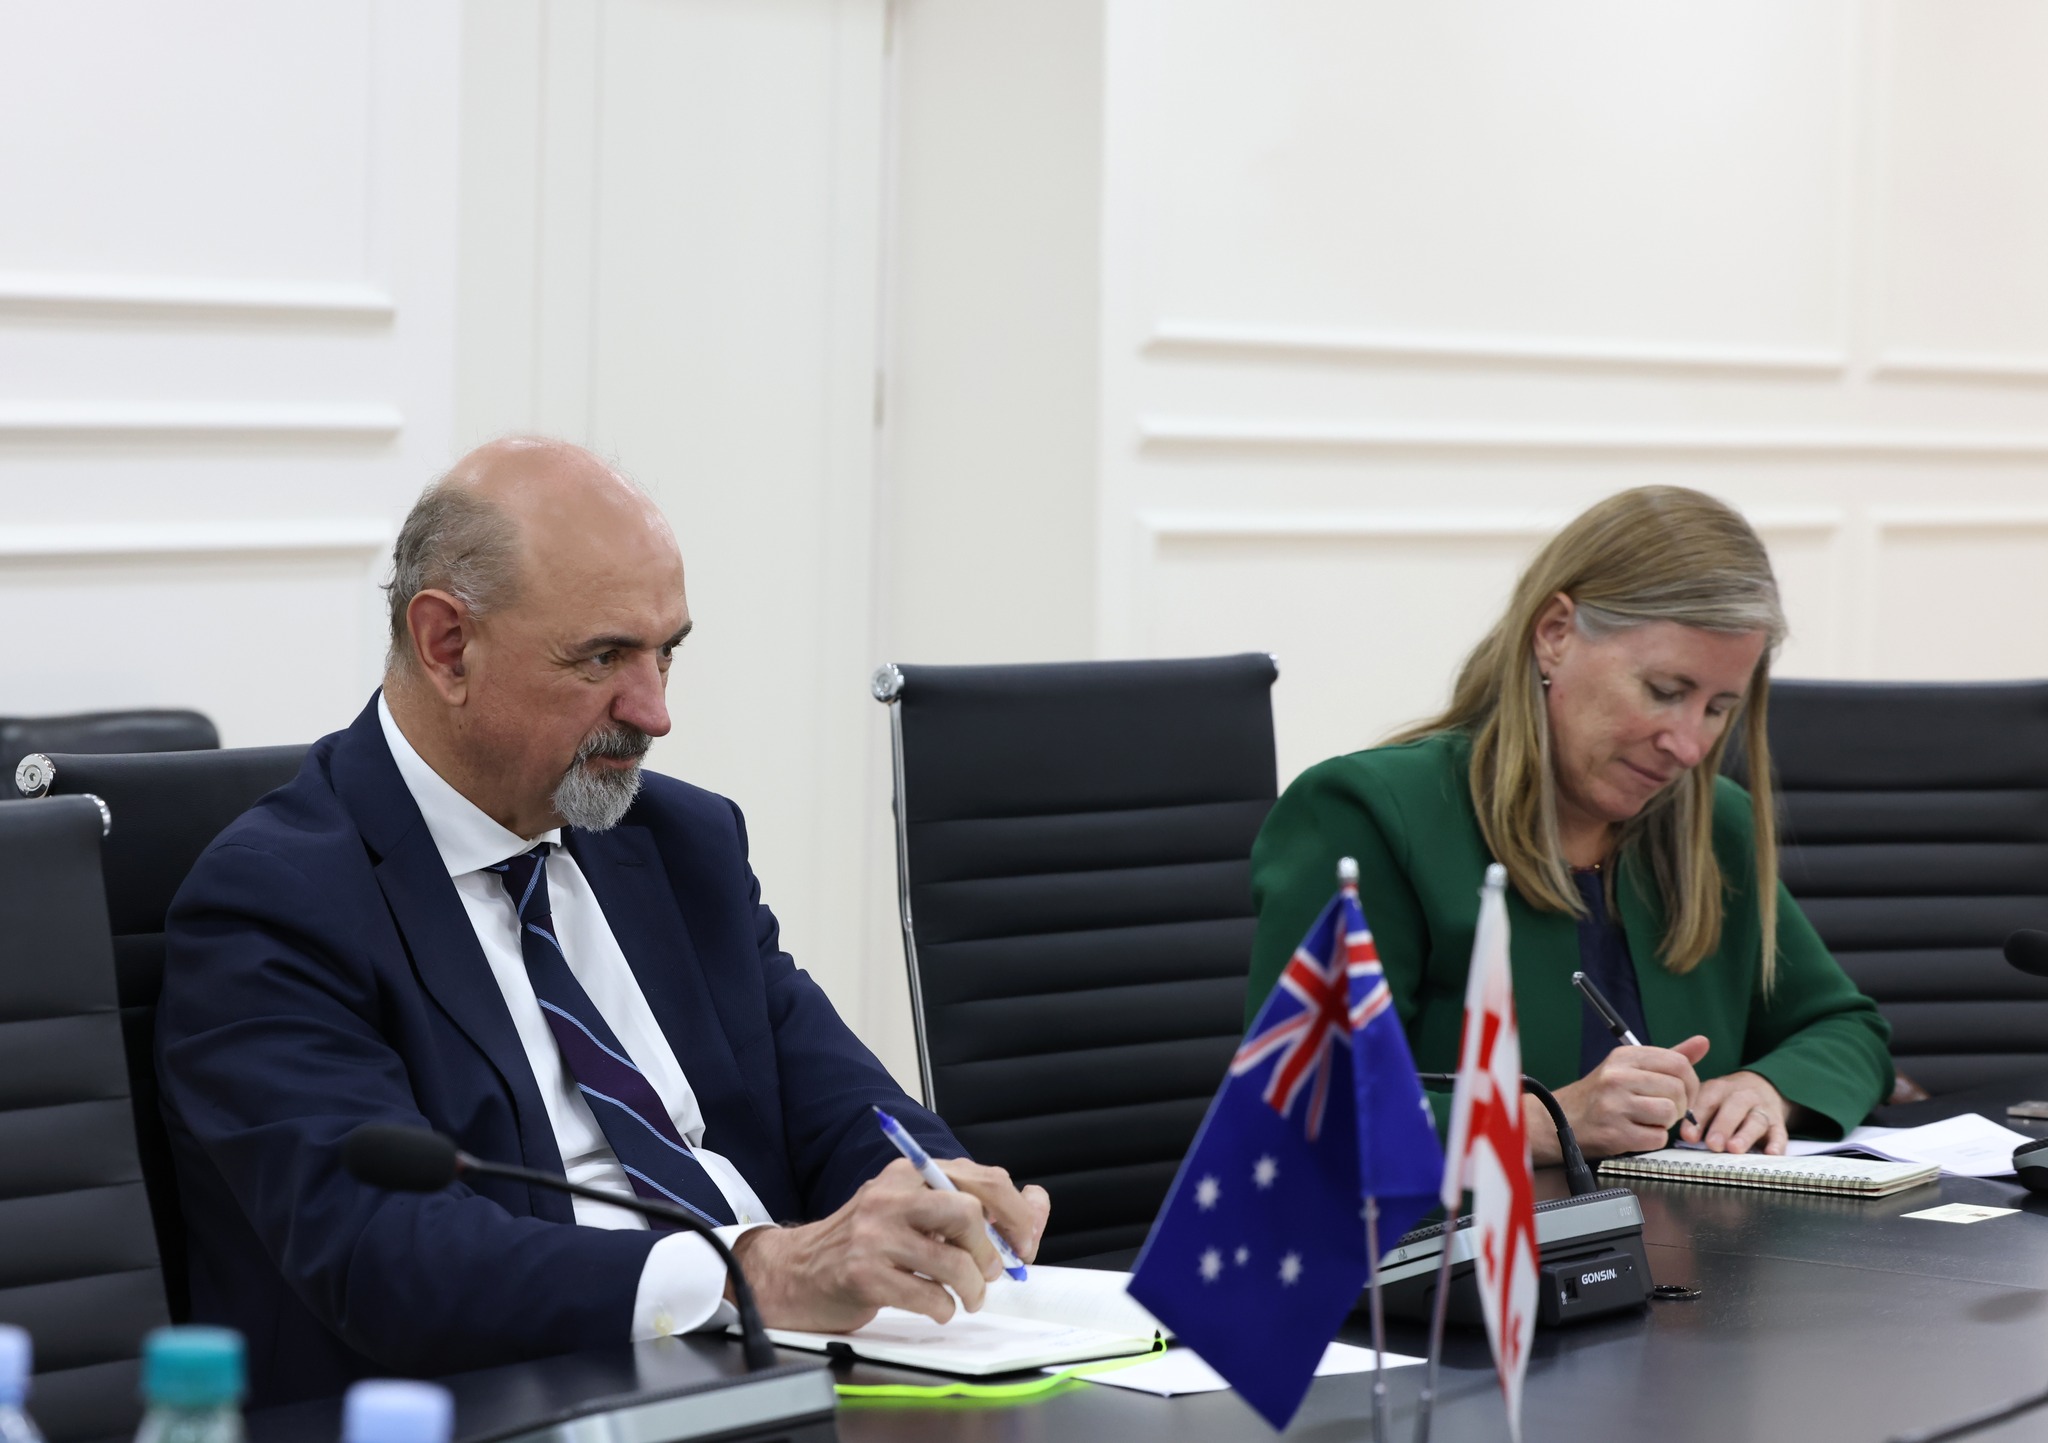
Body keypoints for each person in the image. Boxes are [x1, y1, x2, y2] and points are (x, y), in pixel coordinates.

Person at [158, 438, 1050, 1404]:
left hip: (785, 1378)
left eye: (667, 652)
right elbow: (388, 1252)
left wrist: (931, 1193)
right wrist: (752, 1272)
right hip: (519, 1396)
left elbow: (835, 1101)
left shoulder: (680, 843)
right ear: (447, 645)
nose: (655, 712)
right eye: (604, 657)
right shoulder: (277, 899)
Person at [1246, 486, 1891, 1163]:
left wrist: (1767, 1088)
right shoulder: (1369, 814)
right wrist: (1549, 1122)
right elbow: (1301, 1105)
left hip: (1685, 1227)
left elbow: (1847, 1029)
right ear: (1555, 633)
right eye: (1665, 691)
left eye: (1716, 708)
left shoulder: (1711, 822)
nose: (1689, 746)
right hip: (1447, 1232)